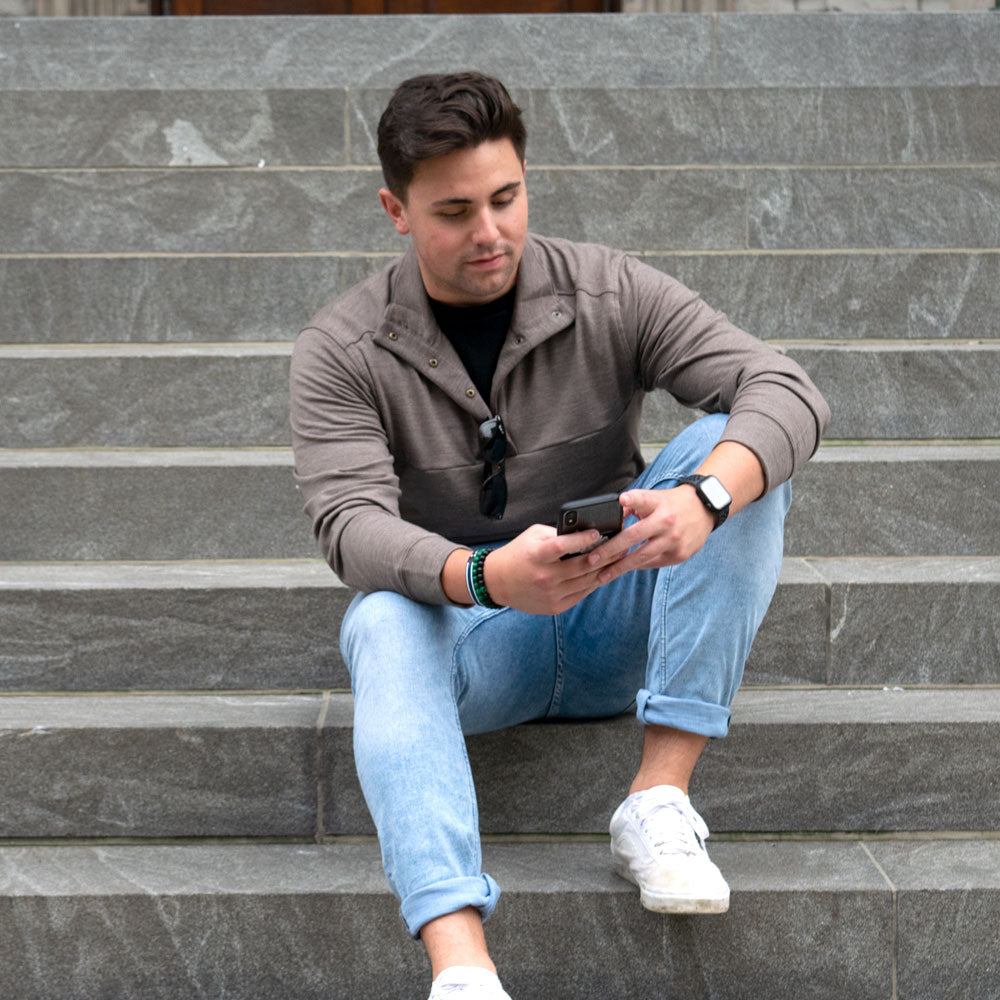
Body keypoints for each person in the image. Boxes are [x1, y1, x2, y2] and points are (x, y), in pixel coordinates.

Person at [290, 72, 829, 1000]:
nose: (490, 231)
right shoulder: (342, 348)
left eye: (506, 198)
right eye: (454, 211)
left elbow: (785, 388)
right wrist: (483, 575)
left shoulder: (607, 289)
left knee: (727, 452)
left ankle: (658, 799)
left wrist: (703, 499)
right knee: (380, 618)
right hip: (476, 641)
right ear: (396, 210)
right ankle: (462, 968)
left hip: (618, 613)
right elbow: (350, 524)